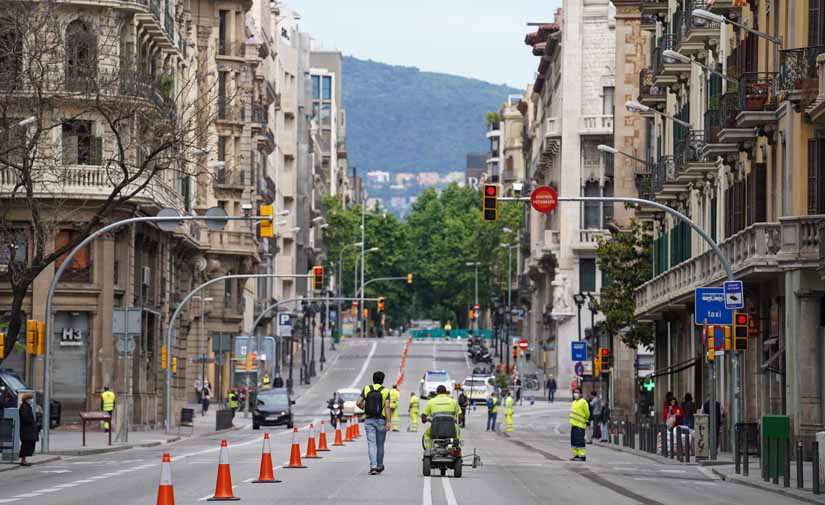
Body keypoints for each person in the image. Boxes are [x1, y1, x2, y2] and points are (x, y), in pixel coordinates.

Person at [356, 371, 392, 475]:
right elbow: (387, 407)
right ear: (383, 380)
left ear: (373, 379)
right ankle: (380, 466)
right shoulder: (385, 391)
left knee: (371, 444)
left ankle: (373, 466)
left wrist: (365, 408)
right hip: (381, 420)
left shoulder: (367, 388)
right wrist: (388, 421)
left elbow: (358, 403)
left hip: (369, 420)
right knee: (380, 445)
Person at [569, 387, 590, 461]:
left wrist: (585, 420)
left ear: (581, 394)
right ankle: (576, 455)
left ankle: (582, 455)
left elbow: (587, 413)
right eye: (575, 392)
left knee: (580, 441)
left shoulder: (583, 402)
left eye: (577, 392)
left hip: (580, 425)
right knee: (573, 441)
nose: (576, 394)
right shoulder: (574, 402)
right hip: (573, 425)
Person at [18, 392, 37, 466]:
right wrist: (31, 421)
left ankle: (24, 460)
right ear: (26, 399)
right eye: (30, 398)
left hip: (28, 429)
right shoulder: (24, 407)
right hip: (26, 430)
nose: (31, 400)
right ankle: (23, 460)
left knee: (27, 444)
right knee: (26, 444)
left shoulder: (27, 406)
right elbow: (25, 418)